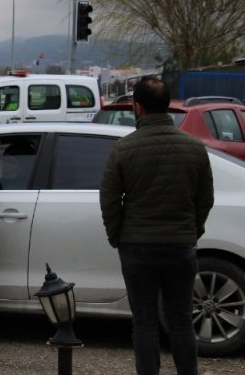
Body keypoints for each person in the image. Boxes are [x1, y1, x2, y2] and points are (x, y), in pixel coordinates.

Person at [100, 77, 214, 375]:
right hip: (180, 247)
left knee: (144, 322)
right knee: (181, 321)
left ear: (137, 107)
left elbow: (109, 200)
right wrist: (192, 232)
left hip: (137, 247)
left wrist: (118, 237)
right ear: (167, 105)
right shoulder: (194, 148)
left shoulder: (124, 149)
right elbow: (205, 199)